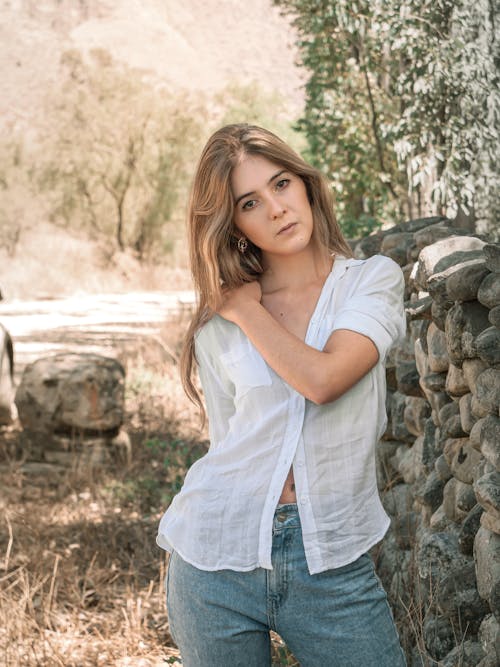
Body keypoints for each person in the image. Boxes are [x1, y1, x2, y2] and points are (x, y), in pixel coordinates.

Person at [157, 123, 407, 667]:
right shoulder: (217, 324)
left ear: (306, 185)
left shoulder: (370, 281)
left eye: (282, 184)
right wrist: (235, 309)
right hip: (215, 555)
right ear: (237, 224)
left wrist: (247, 310)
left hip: (332, 563)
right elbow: (229, 438)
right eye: (250, 202)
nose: (275, 208)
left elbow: (324, 380)